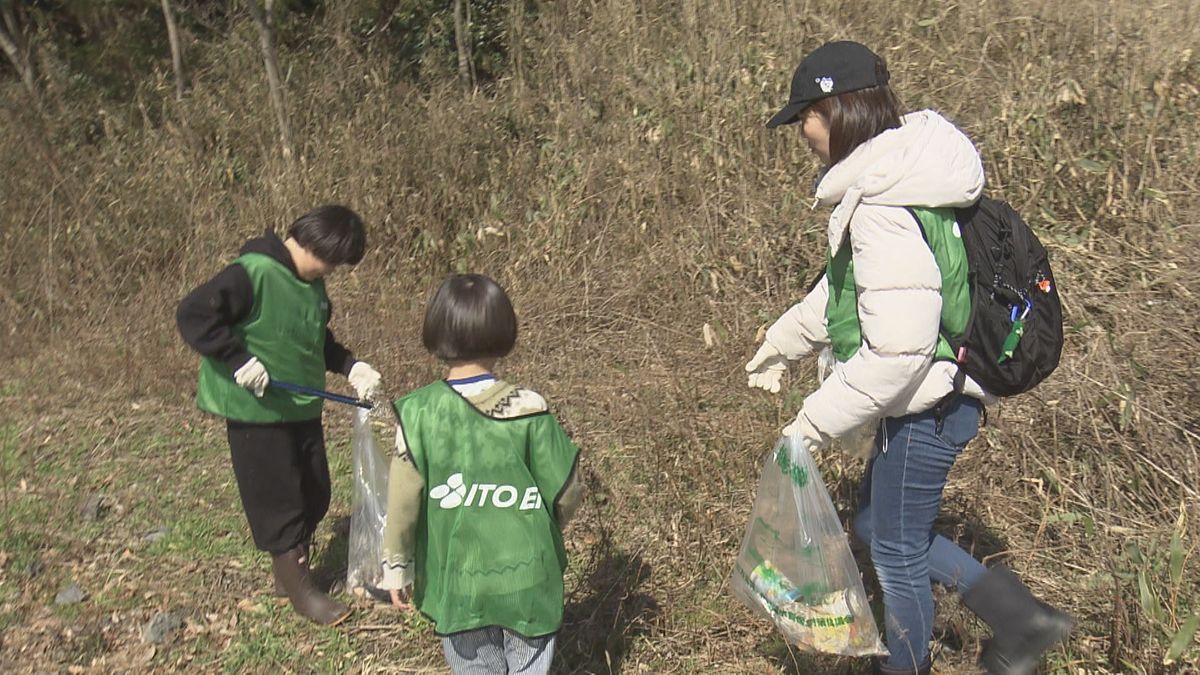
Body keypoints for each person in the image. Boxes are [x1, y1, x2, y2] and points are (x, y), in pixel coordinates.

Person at [746, 41, 1071, 675]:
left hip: (929, 405)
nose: (803, 135)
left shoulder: (882, 205)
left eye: (804, 118)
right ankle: (1020, 619)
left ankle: (937, 653)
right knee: (875, 524)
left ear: (834, 109)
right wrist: (782, 343)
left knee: (894, 552)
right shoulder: (903, 174)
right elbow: (847, 294)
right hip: (936, 397)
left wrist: (809, 425)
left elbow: (899, 350)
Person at [176, 204, 383, 626]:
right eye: (333, 261)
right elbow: (193, 314)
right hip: (256, 410)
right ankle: (300, 589)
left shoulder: (311, 285)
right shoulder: (252, 273)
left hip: (299, 404)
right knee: (278, 498)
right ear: (314, 244)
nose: (332, 272)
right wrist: (238, 361)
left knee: (315, 489)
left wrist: (349, 365)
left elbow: (313, 336)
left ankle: (288, 572)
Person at [378, 274, 583, 675]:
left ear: (436, 332)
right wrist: (549, 524)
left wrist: (397, 566)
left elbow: (402, 502)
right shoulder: (529, 406)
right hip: (527, 576)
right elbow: (565, 490)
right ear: (505, 332)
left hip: (458, 580)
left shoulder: (418, 414)